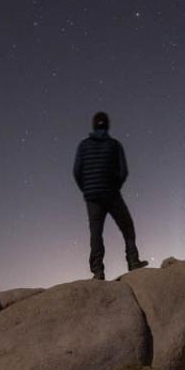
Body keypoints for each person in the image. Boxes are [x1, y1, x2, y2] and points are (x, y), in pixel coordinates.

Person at [72, 111, 147, 280]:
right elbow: (123, 171)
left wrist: (86, 189)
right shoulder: (114, 145)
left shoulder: (83, 145)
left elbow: (77, 171)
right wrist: (114, 186)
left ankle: (98, 272)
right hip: (111, 193)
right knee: (127, 226)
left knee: (96, 234)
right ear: (107, 125)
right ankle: (133, 262)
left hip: (92, 197)